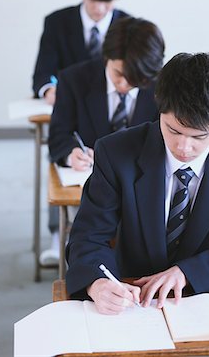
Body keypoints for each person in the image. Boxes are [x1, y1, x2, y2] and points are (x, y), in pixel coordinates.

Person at [66, 52, 209, 314]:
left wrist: (190, 272)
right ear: (159, 105)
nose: (184, 147)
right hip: (130, 298)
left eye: (200, 136)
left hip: (203, 300)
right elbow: (87, 238)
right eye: (173, 130)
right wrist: (98, 283)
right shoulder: (116, 153)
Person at [39, 16, 165, 265]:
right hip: (89, 182)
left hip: (144, 185)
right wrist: (71, 152)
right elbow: (58, 136)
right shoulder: (74, 79)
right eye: (119, 73)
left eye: (134, 79)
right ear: (106, 56)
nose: (123, 84)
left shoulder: (161, 87)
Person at [32, 0, 128, 105]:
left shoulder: (129, 26)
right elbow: (42, 73)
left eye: (107, 2)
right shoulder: (56, 22)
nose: (99, 9)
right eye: (93, 0)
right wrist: (50, 90)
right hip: (69, 104)